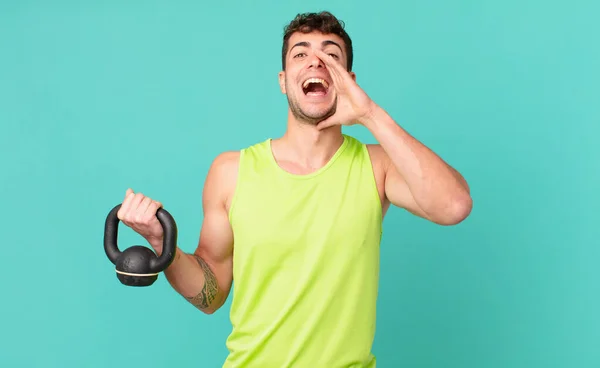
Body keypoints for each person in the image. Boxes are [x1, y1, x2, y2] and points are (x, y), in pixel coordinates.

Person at [116, 11, 472, 368]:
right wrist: (166, 248)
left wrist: (368, 114)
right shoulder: (231, 172)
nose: (315, 60)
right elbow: (211, 295)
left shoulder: (377, 166)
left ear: (348, 80)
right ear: (284, 81)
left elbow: (453, 205)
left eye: (331, 55)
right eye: (300, 53)